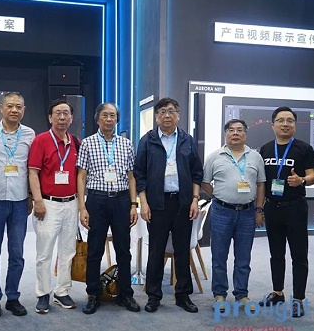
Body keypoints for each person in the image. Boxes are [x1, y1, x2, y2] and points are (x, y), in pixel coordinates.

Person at [134, 97, 203, 313]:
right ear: (156, 116)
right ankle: (154, 296)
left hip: (182, 203)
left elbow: (196, 172)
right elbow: (139, 174)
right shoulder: (148, 140)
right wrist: (144, 203)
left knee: (182, 250)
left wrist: (194, 199)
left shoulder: (187, 140)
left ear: (178, 115)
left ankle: (183, 295)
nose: (167, 115)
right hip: (157, 204)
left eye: (171, 111)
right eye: (162, 111)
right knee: (156, 250)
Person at [77, 103, 140, 314]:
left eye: (112, 115)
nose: (109, 119)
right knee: (95, 250)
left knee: (123, 250)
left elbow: (132, 177)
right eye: (105, 115)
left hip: (121, 201)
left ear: (117, 119)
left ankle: (125, 294)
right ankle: (93, 294)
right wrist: (82, 207)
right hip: (97, 200)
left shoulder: (126, 144)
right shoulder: (87, 143)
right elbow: (81, 177)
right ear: (98, 119)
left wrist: (133, 204)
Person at [258, 107, 314, 318]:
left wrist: (301, 180)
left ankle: (298, 299)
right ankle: (277, 292)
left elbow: (313, 176)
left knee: (299, 255)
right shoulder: (265, 149)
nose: (285, 124)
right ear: (272, 124)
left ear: (295, 124)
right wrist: (259, 207)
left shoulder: (304, 148)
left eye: (290, 120)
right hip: (272, 207)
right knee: (276, 254)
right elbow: (261, 182)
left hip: (295, 207)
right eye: (281, 120)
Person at [202, 119, 265, 313]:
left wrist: (259, 209)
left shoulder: (255, 157)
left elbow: (261, 184)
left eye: (239, 130)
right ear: (225, 134)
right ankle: (219, 294)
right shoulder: (214, 157)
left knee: (243, 256)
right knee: (219, 255)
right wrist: (219, 196)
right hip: (222, 212)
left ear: (245, 134)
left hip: (247, 212)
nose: (235, 133)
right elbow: (205, 182)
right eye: (231, 130)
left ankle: (241, 294)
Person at [0, 92, 35, 318]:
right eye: (10, 106)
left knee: (17, 252)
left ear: (24, 110)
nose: (14, 110)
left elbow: (32, 168)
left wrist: (31, 196)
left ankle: (13, 297)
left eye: (19, 107)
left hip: (20, 201)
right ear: (1, 108)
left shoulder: (30, 134)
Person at [28, 98, 79, 314]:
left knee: (68, 251)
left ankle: (62, 291)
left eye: (66, 113)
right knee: (44, 252)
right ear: (50, 117)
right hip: (48, 204)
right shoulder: (40, 141)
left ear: (71, 118)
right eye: (58, 113)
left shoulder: (76, 142)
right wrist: (38, 201)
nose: (62, 117)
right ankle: (43, 293)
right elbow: (33, 173)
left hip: (71, 203)